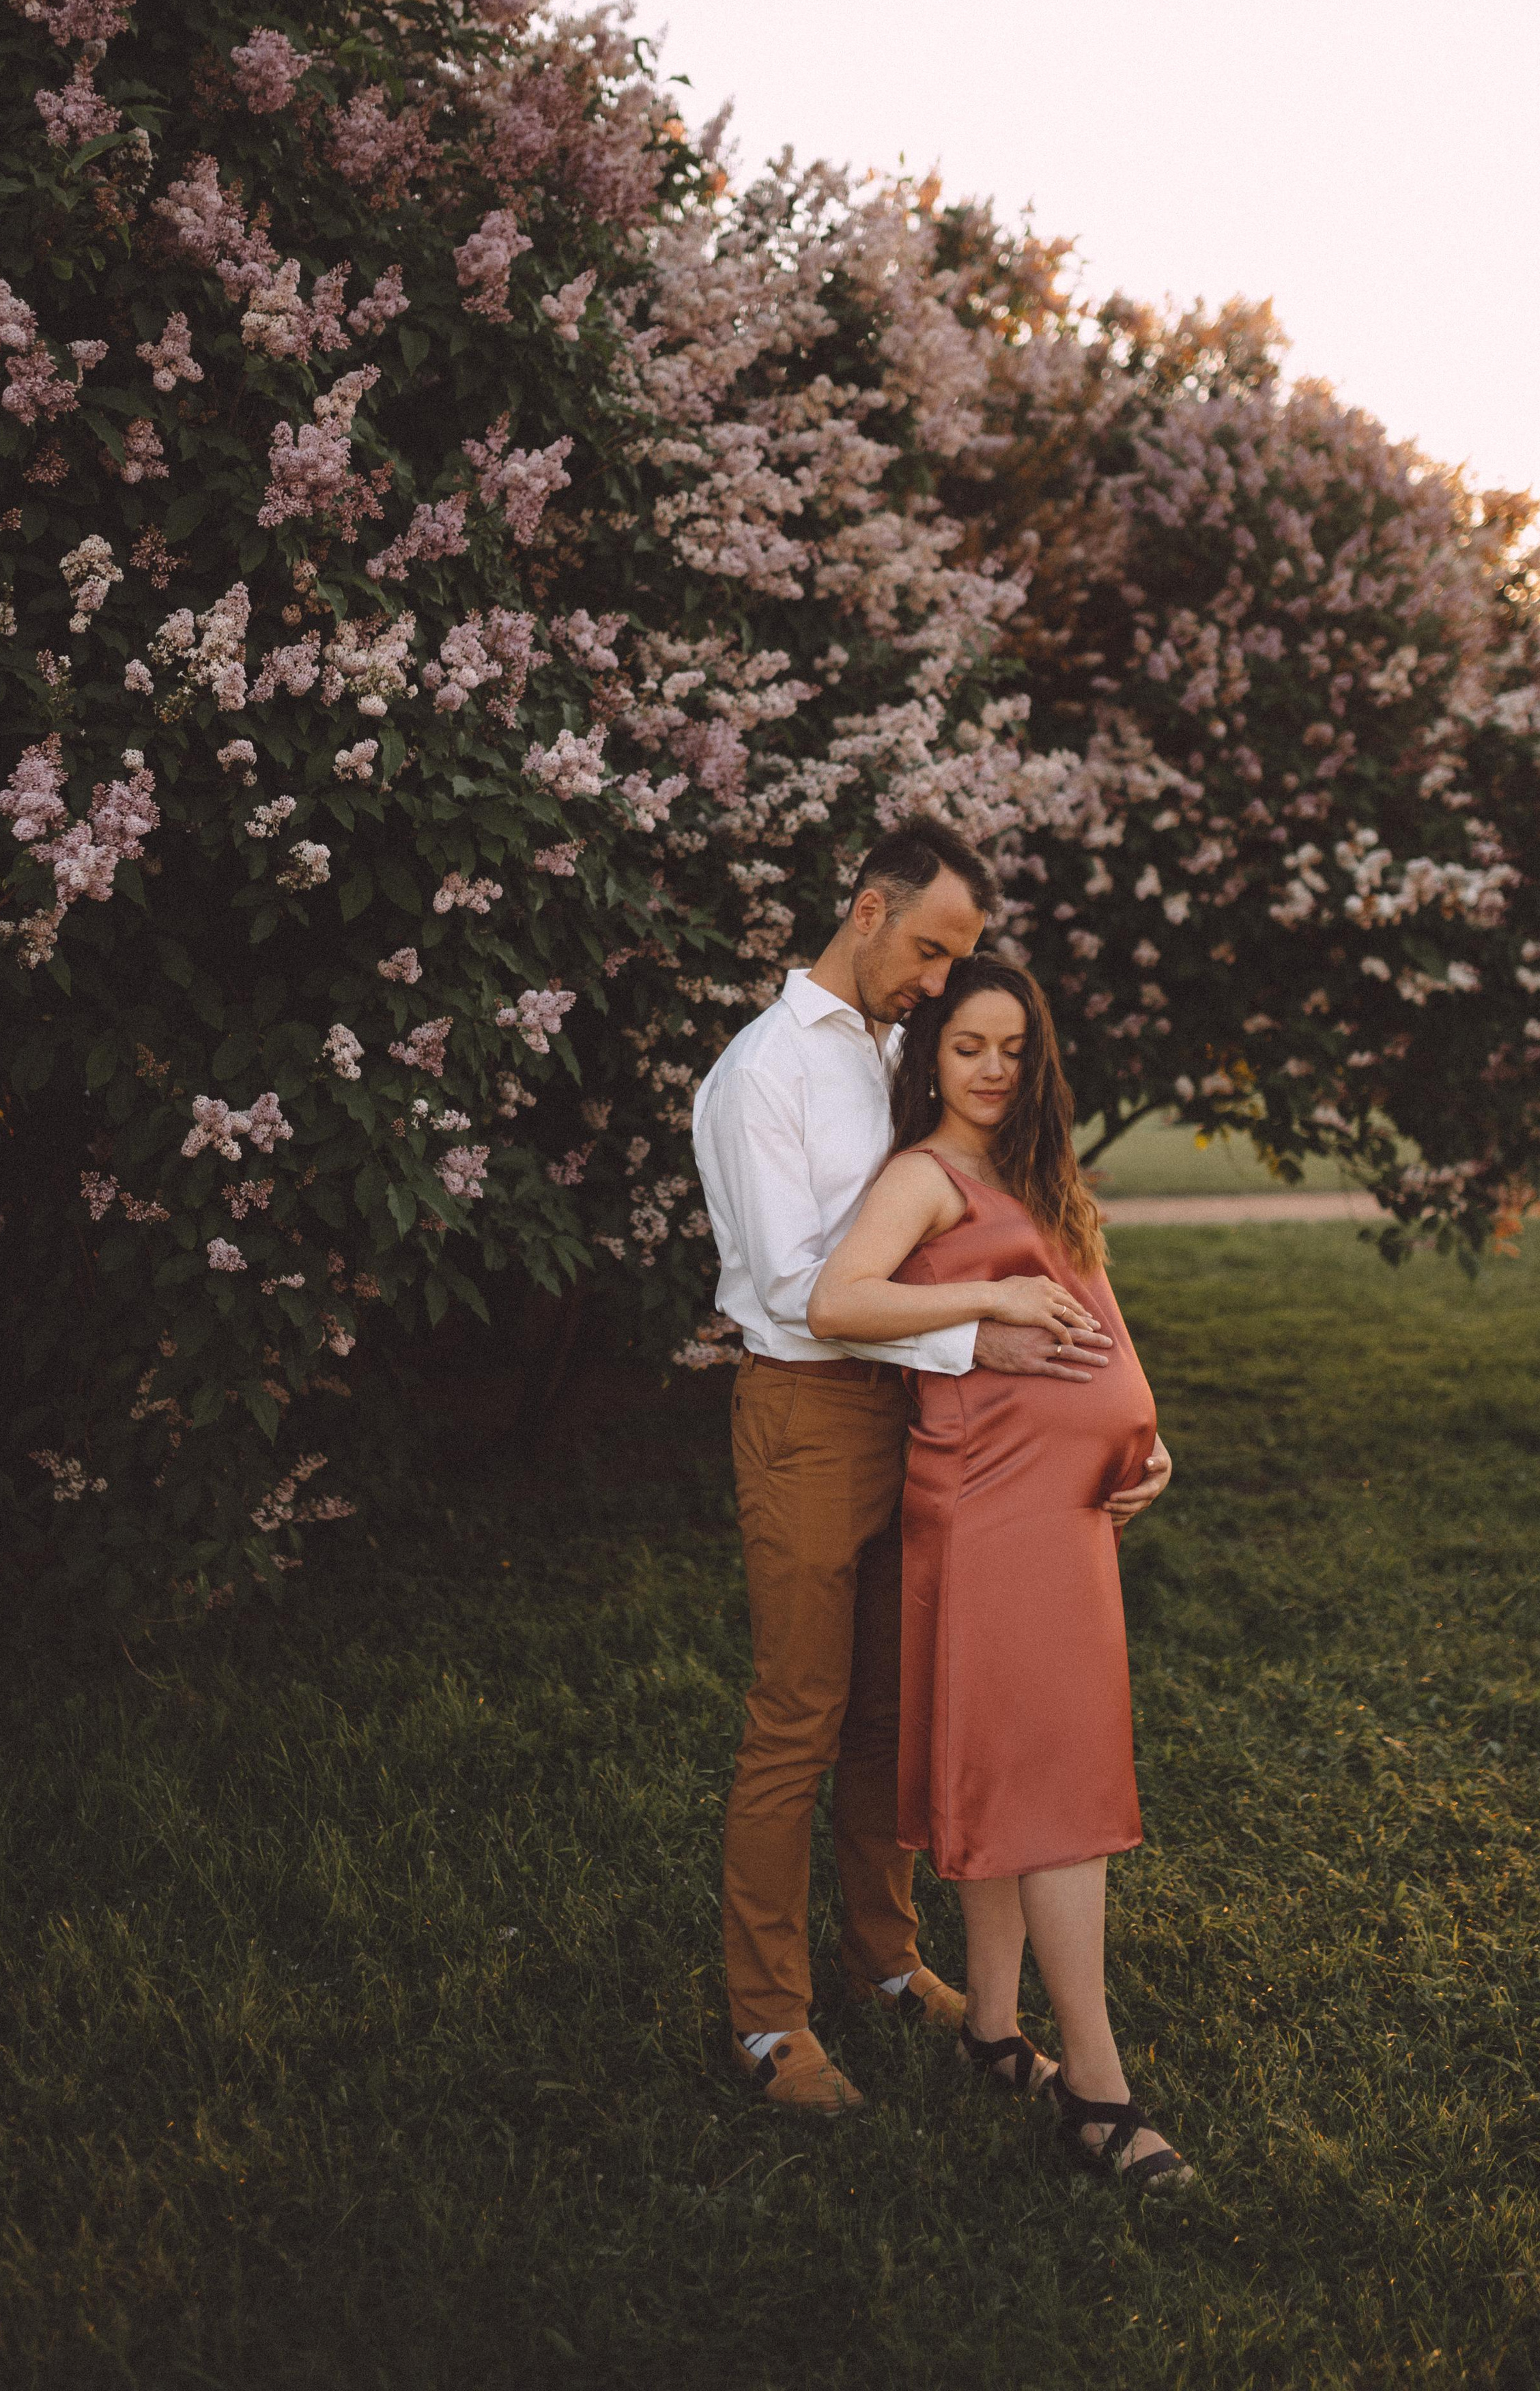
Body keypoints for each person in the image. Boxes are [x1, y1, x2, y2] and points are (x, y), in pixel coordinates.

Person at [691, 819, 1120, 2119]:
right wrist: (981, 1319)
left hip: (925, 1418)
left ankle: (886, 1957)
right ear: (866, 908)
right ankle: (771, 2019)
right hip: (812, 1413)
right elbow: (803, 1294)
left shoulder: (893, 1047)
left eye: (961, 961)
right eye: (931, 950)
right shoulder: (762, 1073)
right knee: (799, 1716)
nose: (941, 983)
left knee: (890, 1708)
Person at [808, 954, 1186, 2185]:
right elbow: (835, 1300)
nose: (990, 1068)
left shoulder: (1039, 1170)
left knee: (1036, 1769)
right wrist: (992, 1291)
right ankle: (1097, 2089)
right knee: (1056, 1789)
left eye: (1013, 1048)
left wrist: (1149, 1437)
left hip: (1070, 1513)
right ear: (935, 1055)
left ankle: (987, 2028)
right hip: (991, 1511)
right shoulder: (924, 1176)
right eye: (968, 1044)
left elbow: (1102, 1313)